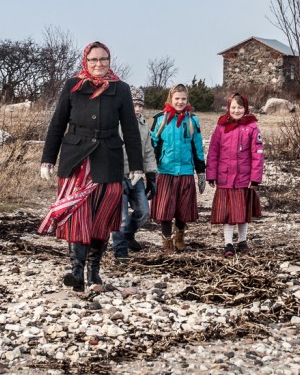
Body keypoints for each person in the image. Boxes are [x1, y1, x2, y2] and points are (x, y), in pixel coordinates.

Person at [37, 42, 144, 291]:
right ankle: (76, 272)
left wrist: (137, 166)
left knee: (101, 218)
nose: (99, 64)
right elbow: (57, 124)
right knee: (77, 216)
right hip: (76, 158)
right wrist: (48, 158)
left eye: (103, 59)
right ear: (85, 61)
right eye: (94, 60)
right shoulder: (72, 86)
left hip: (108, 159)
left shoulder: (121, 89)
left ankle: (93, 271)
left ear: (110, 60)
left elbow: (130, 130)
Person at [149, 83, 205, 254]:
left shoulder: (192, 120)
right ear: (170, 99)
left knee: (182, 210)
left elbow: (197, 147)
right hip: (166, 171)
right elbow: (153, 146)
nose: (180, 102)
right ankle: (167, 242)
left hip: (186, 171)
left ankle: (179, 236)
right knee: (165, 210)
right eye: (177, 99)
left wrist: (201, 171)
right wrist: (150, 170)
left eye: (183, 99)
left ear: (187, 100)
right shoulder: (160, 119)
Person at [206, 92, 264, 257]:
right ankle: (228, 243)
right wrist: (211, 174)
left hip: (243, 179)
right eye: (233, 107)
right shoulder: (221, 127)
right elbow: (213, 152)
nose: (236, 110)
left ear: (245, 109)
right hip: (225, 179)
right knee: (228, 214)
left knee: (242, 212)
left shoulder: (252, 127)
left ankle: (242, 240)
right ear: (228, 108)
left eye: (240, 107)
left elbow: (257, 154)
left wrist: (255, 178)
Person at [111, 87, 158, 263]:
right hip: (118, 174)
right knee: (121, 216)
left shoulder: (144, 125)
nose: (137, 109)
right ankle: (120, 250)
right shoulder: (116, 122)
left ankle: (128, 235)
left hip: (136, 175)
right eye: (133, 105)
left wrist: (151, 175)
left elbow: (147, 150)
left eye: (140, 105)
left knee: (143, 211)